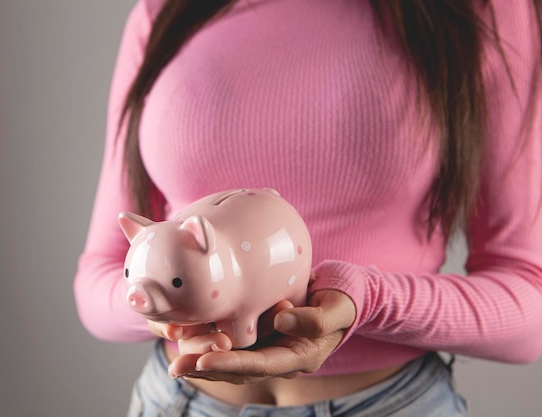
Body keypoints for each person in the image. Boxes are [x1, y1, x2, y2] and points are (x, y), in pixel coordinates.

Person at [74, 0, 542, 415]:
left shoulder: (484, 10)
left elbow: (528, 301)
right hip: (176, 401)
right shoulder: (164, 11)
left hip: (390, 404)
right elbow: (100, 278)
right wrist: (166, 307)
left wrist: (368, 300)